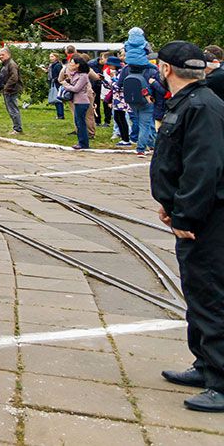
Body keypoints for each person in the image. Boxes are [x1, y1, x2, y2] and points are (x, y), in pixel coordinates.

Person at [148, 41, 224, 412]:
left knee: (211, 297)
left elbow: (203, 168)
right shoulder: (191, 102)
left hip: (208, 219)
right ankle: (205, 366)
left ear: (165, 69)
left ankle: (221, 381)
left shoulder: (202, 106)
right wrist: (171, 204)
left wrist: (185, 215)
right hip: (195, 214)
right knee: (197, 293)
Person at [63, 58, 94, 149]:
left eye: (72, 63)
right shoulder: (76, 74)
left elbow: (76, 88)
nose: (70, 64)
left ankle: (83, 143)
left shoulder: (83, 76)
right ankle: (81, 142)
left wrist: (66, 85)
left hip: (82, 101)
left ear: (78, 65)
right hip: (77, 101)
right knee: (78, 122)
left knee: (81, 123)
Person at [0, 47, 23, 135]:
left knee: (13, 110)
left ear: (8, 54)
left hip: (11, 90)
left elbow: (14, 77)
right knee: (11, 109)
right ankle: (16, 127)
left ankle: (17, 129)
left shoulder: (11, 64)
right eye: (0, 55)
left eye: (3, 55)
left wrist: (6, 87)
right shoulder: (6, 64)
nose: (1, 56)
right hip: (8, 90)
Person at [47, 51, 66, 119]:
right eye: (50, 57)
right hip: (54, 83)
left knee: (58, 99)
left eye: (52, 56)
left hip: (57, 84)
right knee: (56, 99)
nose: (50, 58)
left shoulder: (58, 65)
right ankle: (59, 114)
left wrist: (55, 79)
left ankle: (60, 115)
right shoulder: (52, 65)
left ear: (56, 57)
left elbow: (60, 75)